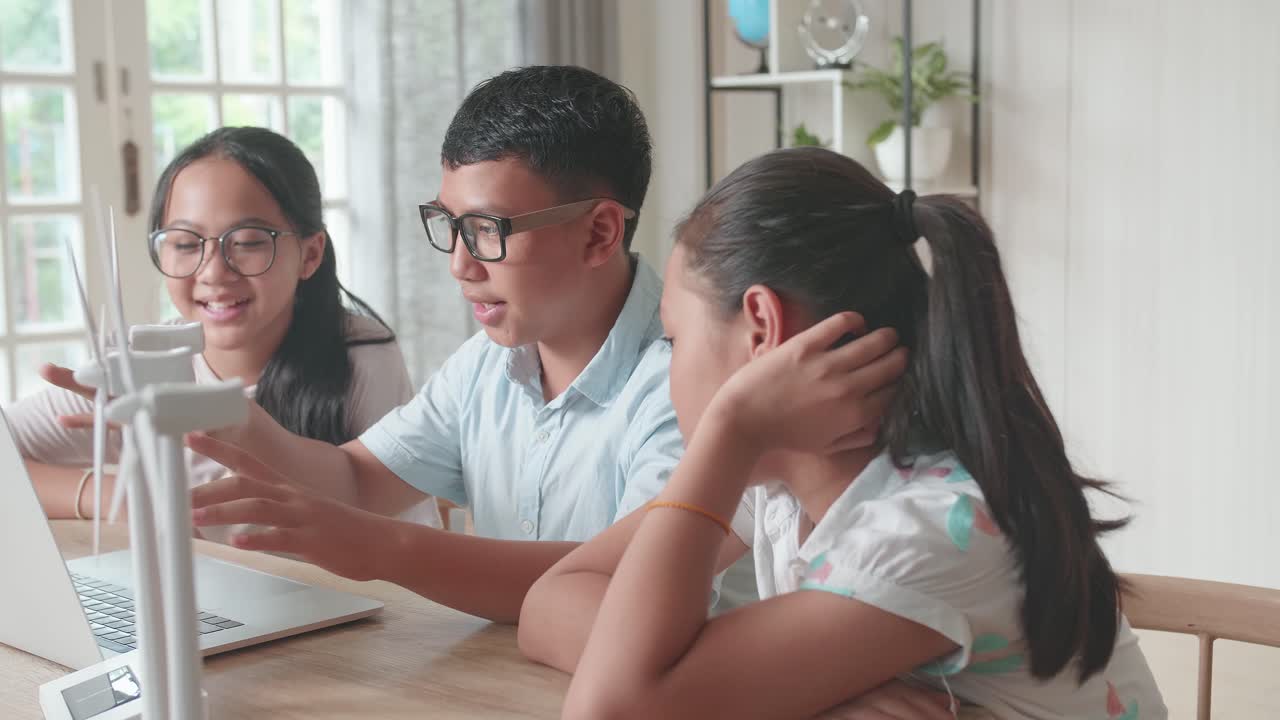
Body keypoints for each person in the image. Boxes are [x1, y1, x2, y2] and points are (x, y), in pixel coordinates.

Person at [182, 66, 902, 624]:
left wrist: (380, 549)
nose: (461, 264)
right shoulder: (490, 360)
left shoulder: (690, 378)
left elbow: (618, 586)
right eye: (449, 225)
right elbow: (359, 481)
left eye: (488, 232)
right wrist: (228, 415)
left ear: (599, 232)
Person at [517, 147, 1167, 719]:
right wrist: (792, 692)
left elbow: (610, 707)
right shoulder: (780, 483)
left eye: (674, 339)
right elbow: (550, 602)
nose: (666, 371)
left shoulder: (928, 528)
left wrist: (729, 429)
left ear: (761, 328)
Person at [8, 126, 433, 536]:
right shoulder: (149, 363)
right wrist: (112, 494)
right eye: (186, 244)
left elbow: (374, 508)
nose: (213, 272)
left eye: (247, 242)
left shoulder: (362, 356)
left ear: (310, 254)